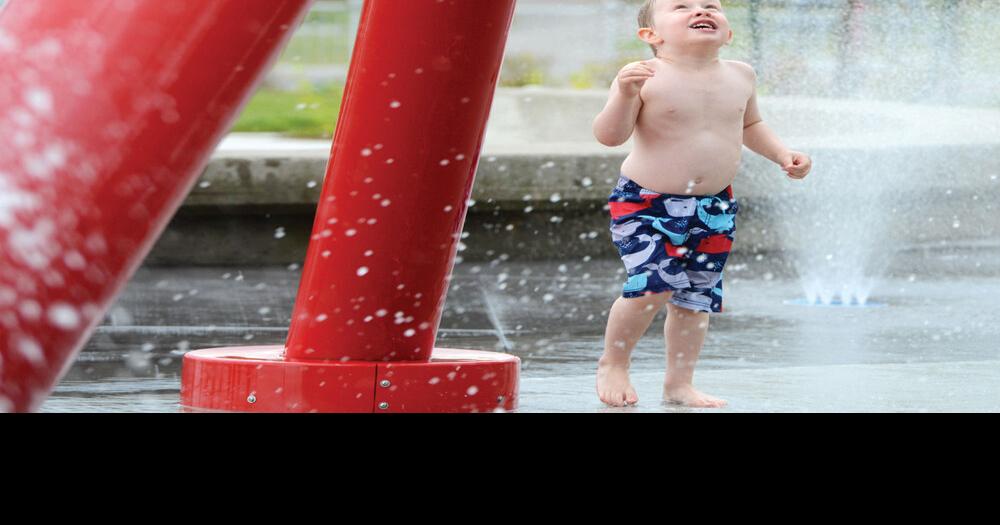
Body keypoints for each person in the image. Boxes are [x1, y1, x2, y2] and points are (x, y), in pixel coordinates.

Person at [593, 0, 812, 408]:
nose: (701, 10)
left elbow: (750, 124)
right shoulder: (646, 77)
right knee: (650, 288)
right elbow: (609, 136)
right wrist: (624, 94)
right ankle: (614, 362)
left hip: (713, 206)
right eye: (681, 6)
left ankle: (678, 384)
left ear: (727, 33)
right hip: (646, 203)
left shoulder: (740, 75)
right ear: (651, 36)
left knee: (695, 299)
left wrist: (783, 154)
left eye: (711, 5)